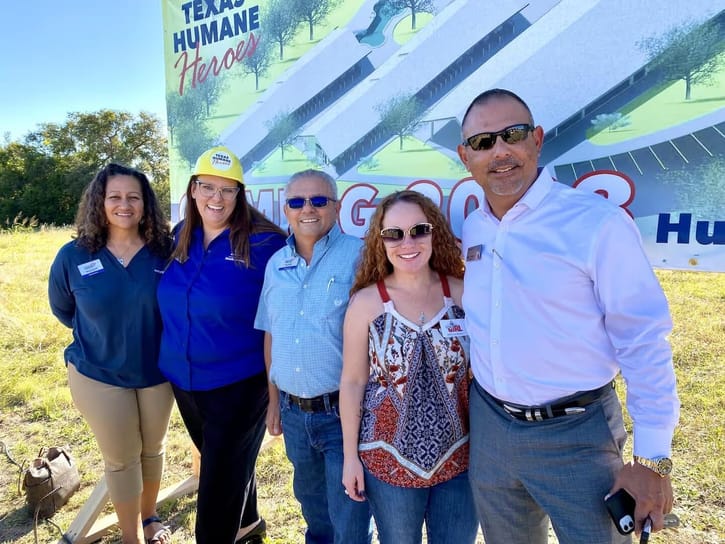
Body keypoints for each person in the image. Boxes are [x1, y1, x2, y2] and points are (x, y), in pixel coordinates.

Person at [457, 88, 680, 543]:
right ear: (466, 157)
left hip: (578, 435)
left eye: (512, 135)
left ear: (536, 139)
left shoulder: (595, 222)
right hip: (492, 430)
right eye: (483, 142)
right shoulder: (475, 226)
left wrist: (653, 460)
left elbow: (643, 339)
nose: (499, 151)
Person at [156, 146, 286, 544]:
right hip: (183, 380)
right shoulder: (180, 236)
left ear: (240, 194)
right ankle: (247, 523)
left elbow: (284, 317)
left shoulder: (267, 244)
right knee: (225, 466)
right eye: (208, 187)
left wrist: (276, 390)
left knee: (215, 495)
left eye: (228, 190)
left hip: (239, 386)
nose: (217, 198)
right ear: (193, 190)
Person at [339, 190, 478, 544]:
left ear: (436, 234)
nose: (407, 242)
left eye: (419, 230)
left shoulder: (463, 294)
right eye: (394, 234)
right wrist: (349, 458)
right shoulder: (367, 303)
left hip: (461, 458)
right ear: (380, 241)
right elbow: (353, 382)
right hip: (386, 462)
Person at [48, 163, 174, 544]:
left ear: (145, 204)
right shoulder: (73, 255)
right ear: (99, 202)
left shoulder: (163, 251)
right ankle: (130, 536)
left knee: (153, 450)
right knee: (122, 459)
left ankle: (149, 517)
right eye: (115, 196)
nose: (124, 204)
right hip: (98, 373)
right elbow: (63, 309)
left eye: (133, 197)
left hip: (156, 372)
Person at [254, 169, 373, 544]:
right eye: (297, 202)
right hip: (292, 413)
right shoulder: (276, 265)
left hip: (344, 414)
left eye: (319, 200)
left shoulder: (360, 256)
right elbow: (271, 334)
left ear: (336, 208)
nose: (308, 209)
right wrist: (273, 401)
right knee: (313, 511)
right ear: (285, 210)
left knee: (349, 517)